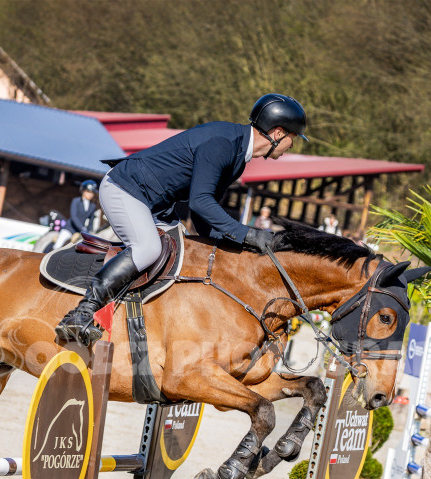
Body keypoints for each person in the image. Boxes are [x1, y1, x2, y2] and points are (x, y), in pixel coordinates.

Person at [55, 93, 309, 345]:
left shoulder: (237, 155)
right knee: (148, 248)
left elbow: (201, 213)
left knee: (187, 254)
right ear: (278, 133)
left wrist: (236, 247)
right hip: (125, 189)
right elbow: (200, 201)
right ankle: (83, 311)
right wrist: (248, 233)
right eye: (293, 139)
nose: (292, 146)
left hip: (156, 207)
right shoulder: (223, 143)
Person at [53, 179, 100, 249]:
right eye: (88, 192)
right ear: (83, 191)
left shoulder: (92, 206)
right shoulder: (76, 201)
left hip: (81, 232)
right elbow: (74, 217)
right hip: (70, 229)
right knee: (58, 244)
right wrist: (82, 228)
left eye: (92, 193)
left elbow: (91, 221)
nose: (90, 194)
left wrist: (90, 232)